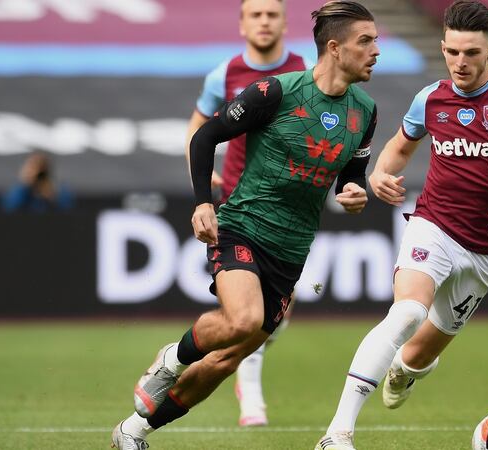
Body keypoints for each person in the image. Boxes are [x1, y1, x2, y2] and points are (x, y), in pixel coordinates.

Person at [315, 2, 488, 449]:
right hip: (433, 226)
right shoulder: (430, 98)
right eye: (453, 52)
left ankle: (406, 370)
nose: (461, 62)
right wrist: (380, 173)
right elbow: (398, 149)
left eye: (472, 53)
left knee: (418, 355)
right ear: (442, 47)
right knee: (407, 312)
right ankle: (338, 433)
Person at [111, 2, 380, 448]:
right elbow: (204, 137)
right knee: (244, 319)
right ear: (335, 48)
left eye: (376, 41)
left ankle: (132, 431)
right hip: (243, 226)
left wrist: (354, 192)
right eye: (365, 41)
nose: (376, 51)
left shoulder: (365, 111)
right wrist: (203, 203)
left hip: (292, 250)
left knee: (226, 360)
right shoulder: (275, 92)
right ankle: (171, 360)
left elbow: (351, 176)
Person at [183, 0, 310, 427]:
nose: (264, 21)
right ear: (242, 24)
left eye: (272, 14)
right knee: (246, 314)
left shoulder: (305, 72)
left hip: (286, 209)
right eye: (255, 14)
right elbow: (197, 129)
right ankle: (249, 389)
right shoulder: (224, 74)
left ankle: (241, 369)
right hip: (237, 206)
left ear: (285, 23)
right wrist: (203, 177)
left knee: (276, 315)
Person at [1, 152, 74, 212]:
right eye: (31, 168)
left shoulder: (59, 190)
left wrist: (51, 195)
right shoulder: (19, 190)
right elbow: (9, 208)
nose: (36, 173)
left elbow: (68, 211)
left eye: (41, 168)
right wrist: (25, 185)